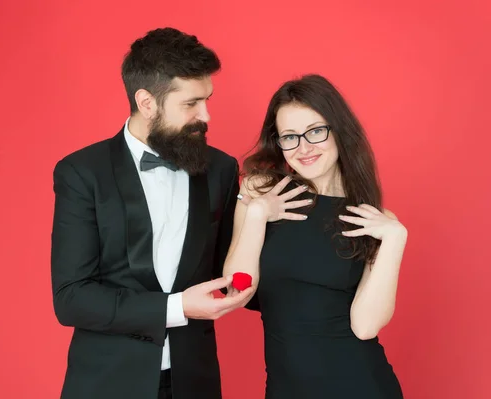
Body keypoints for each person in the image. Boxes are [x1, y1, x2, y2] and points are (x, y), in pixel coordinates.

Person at [50, 27, 254, 399]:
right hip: (107, 384)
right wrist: (178, 307)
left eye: (207, 99)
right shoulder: (81, 172)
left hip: (195, 383)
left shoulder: (222, 169)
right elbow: (71, 299)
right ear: (146, 102)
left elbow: (236, 275)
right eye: (191, 103)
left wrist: (258, 213)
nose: (206, 115)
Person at [224, 74, 406, 398]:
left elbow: (365, 327)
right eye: (289, 137)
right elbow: (236, 289)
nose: (303, 147)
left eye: (316, 131)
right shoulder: (259, 193)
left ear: (339, 131)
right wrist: (256, 216)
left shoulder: (373, 220)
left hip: (361, 386)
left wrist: (395, 239)